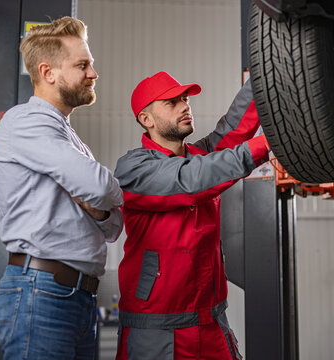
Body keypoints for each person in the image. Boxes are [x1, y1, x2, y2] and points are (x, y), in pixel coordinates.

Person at [0, 17, 123, 359]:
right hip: (43, 293)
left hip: (74, 297)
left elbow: (112, 225)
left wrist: (100, 203)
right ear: (48, 73)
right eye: (83, 65)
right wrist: (100, 193)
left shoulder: (69, 139)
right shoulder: (26, 122)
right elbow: (99, 186)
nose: (93, 73)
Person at [113, 72, 270, 359]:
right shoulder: (133, 169)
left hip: (211, 322)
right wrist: (268, 145)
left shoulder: (200, 155)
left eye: (185, 99)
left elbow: (235, 126)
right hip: (156, 331)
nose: (185, 106)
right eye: (172, 102)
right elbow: (191, 180)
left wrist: (266, 73)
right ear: (146, 119)